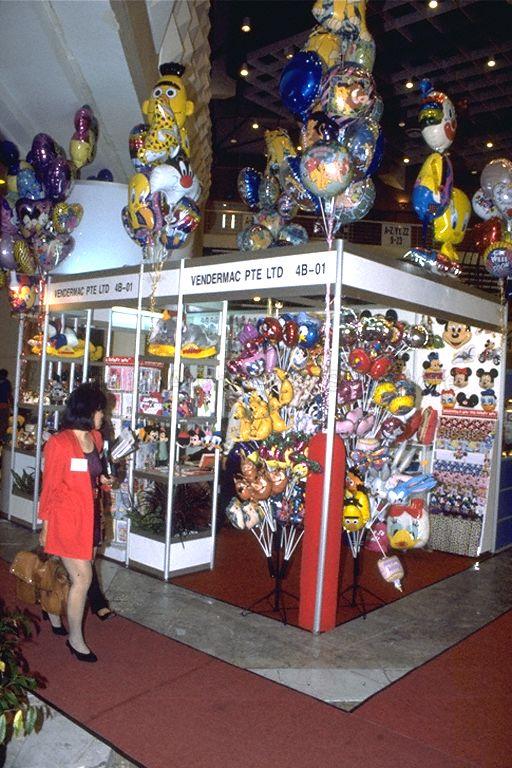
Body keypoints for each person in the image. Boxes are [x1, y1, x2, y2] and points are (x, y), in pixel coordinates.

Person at [38, 383, 115, 663]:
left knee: (73, 577)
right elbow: (49, 488)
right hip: (67, 520)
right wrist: (45, 525)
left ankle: (52, 611)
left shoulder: (95, 439)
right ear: (86, 410)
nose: (102, 416)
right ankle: (76, 639)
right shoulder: (58, 443)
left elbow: (95, 474)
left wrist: (103, 482)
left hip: (91, 518)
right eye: (99, 410)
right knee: (83, 579)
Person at [0, 369, 13, 443]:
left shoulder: (7, 383)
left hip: (4, 405)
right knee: (4, 423)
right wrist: (13, 404)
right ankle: (2, 438)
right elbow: (9, 395)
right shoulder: (7, 383)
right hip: (4, 406)